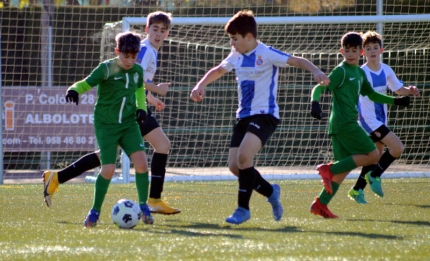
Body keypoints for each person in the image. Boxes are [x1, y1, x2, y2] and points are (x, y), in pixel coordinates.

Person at [190, 10, 330, 224]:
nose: (232, 44)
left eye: (234, 39)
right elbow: (218, 70)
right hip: (243, 116)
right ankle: (270, 191)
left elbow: (297, 60)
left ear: (249, 37)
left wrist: (315, 71)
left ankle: (242, 209)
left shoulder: (267, 53)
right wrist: (200, 85)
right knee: (235, 167)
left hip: (265, 115)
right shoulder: (236, 55)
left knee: (244, 158)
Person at [43, 11, 181, 215]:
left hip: (133, 107)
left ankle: (56, 178)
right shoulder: (145, 50)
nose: (158, 34)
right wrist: (157, 90)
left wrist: (151, 99)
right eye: (155, 29)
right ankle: (153, 200)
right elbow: (134, 77)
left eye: (163, 30)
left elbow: (135, 85)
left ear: (168, 33)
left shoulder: (149, 50)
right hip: (128, 112)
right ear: (147, 29)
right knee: (162, 145)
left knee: (106, 156)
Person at [309, 32, 411, 218]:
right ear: (342, 51)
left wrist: (396, 101)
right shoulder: (341, 71)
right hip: (345, 124)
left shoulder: (359, 73)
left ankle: (320, 205)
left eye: (354, 51)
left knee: (344, 169)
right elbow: (320, 86)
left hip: (341, 126)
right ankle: (327, 169)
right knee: (373, 155)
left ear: (360, 51)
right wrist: (315, 102)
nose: (350, 54)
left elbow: (372, 95)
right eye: (346, 51)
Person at [63, 32, 153, 227]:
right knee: (109, 169)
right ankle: (94, 211)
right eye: (125, 56)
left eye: (133, 56)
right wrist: (74, 90)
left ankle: (144, 207)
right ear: (117, 51)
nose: (129, 61)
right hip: (106, 126)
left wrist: (141, 109)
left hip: (129, 124)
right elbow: (86, 83)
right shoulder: (106, 68)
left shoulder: (137, 70)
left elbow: (139, 90)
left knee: (142, 164)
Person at [347, 31, 420, 204]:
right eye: (368, 48)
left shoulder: (386, 69)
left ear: (381, 50)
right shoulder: (361, 72)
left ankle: (357, 190)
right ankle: (376, 175)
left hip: (381, 120)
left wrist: (410, 90)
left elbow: (398, 89)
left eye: (375, 47)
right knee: (397, 148)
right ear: (363, 52)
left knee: (375, 157)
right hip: (368, 121)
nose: (372, 51)